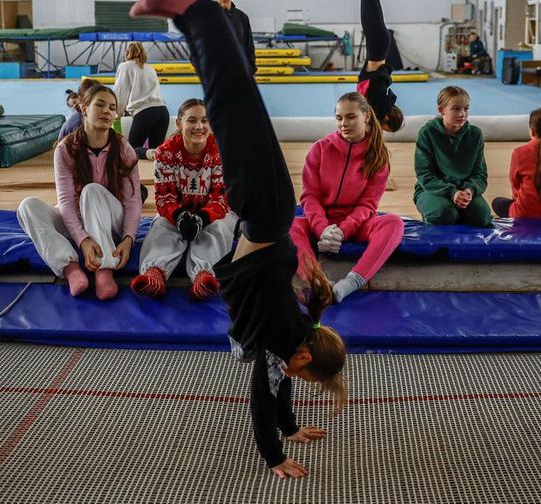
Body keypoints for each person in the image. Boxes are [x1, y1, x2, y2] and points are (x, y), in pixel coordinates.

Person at [132, 0, 347, 479]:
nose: (294, 377)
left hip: (267, 215)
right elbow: (264, 399)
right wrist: (277, 453)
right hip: (265, 214)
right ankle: (194, 12)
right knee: (233, 105)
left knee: (241, 105)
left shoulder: (293, 338)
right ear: (305, 356)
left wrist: (290, 427)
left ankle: (222, 16)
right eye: (304, 372)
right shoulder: (284, 343)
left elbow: (281, 383)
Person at [17, 84, 142, 300]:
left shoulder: (123, 148)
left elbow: (133, 200)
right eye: (100, 105)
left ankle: (104, 268)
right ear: (84, 108)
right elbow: (65, 200)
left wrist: (129, 238)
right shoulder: (66, 149)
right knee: (27, 206)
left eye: (112, 108)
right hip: (78, 220)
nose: (107, 111)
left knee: (92, 191)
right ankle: (70, 268)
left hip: (110, 220)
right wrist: (82, 239)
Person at [291, 92, 404, 303]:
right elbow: (310, 197)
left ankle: (351, 282)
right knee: (292, 226)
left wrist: (343, 232)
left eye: (351, 117)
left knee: (393, 223)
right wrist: (322, 229)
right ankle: (318, 282)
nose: (344, 123)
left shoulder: (377, 156)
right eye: (339, 118)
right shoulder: (320, 149)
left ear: (366, 116)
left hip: (356, 224)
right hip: (322, 221)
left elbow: (367, 205)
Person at [131, 98, 237, 300]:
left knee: (219, 229)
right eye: (192, 120)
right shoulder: (164, 152)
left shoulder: (221, 151)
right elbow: (164, 197)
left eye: (205, 121)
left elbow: (221, 197)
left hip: (213, 213)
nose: (199, 126)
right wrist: (179, 216)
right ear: (179, 124)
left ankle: (203, 275)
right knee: (161, 226)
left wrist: (202, 219)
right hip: (177, 212)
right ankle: (155, 273)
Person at [414, 86, 492, 227]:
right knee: (444, 214)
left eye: (466, 108)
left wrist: (470, 191)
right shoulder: (428, 133)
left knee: (482, 216)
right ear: (441, 110)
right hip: (433, 190)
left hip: (464, 191)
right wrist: (452, 192)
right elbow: (424, 174)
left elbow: (480, 173)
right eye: (456, 109)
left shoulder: (475, 134)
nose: (462, 114)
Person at [114, 41, 171, 160]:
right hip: (162, 111)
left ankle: (147, 155)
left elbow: (121, 91)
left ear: (127, 53)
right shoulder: (150, 68)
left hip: (145, 112)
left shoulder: (125, 66)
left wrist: (117, 114)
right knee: (157, 154)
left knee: (132, 149)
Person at [356, 0, 404, 132]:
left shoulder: (377, 101)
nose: (382, 130)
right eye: (385, 129)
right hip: (378, 44)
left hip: (380, 44)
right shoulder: (377, 103)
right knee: (369, 5)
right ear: (387, 118)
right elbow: (374, 118)